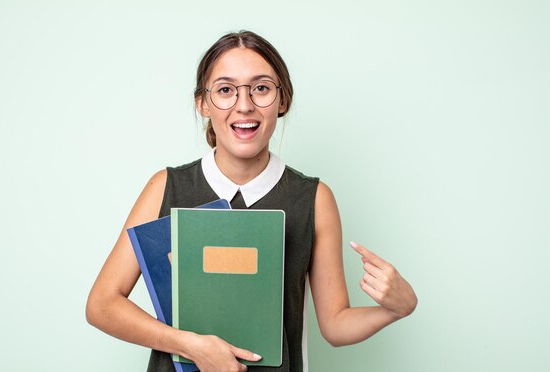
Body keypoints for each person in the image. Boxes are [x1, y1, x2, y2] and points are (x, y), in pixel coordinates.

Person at [86, 30, 417, 372]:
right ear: (203, 103)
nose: (244, 105)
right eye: (226, 90)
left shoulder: (313, 199)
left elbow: (334, 325)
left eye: (261, 88)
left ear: (282, 100)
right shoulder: (165, 187)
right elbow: (102, 304)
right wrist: (190, 345)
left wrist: (394, 309)